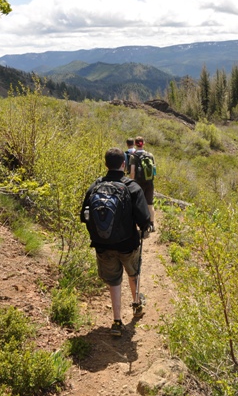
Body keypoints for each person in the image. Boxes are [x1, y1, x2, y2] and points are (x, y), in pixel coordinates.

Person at [81, 147, 150, 336]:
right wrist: (145, 228)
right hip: (128, 243)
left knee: (114, 281)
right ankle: (136, 304)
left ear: (105, 164)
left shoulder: (95, 186)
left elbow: (84, 216)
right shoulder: (132, 187)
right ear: (124, 164)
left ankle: (117, 321)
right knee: (133, 272)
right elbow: (144, 219)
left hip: (102, 245)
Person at [129, 136, 156, 232]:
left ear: (135, 144)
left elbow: (132, 172)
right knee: (150, 204)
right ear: (143, 143)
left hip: (138, 184)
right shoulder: (150, 155)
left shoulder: (133, 156)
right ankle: (152, 224)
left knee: (137, 204)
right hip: (149, 182)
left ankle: (139, 225)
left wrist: (131, 183)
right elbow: (154, 170)